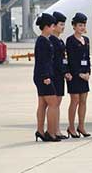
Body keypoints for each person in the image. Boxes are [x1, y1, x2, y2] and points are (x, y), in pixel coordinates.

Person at [33, 13, 61, 142]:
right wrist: (46, 76)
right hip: (43, 76)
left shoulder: (45, 40)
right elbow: (43, 60)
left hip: (42, 75)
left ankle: (40, 130)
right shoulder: (43, 41)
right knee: (53, 103)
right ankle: (50, 132)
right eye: (52, 26)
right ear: (46, 27)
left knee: (43, 104)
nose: (54, 28)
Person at [66, 12, 91, 138]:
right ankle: (71, 127)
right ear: (74, 26)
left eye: (83, 25)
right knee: (74, 101)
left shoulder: (86, 40)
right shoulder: (70, 40)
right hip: (75, 75)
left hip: (84, 75)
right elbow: (71, 60)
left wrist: (88, 73)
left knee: (83, 101)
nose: (82, 27)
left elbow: (87, 58)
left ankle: (81, 126)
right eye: (79, 25)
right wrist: (79, 74)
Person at [49, 11, 70, 140]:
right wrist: (64, 71)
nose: (63, 27)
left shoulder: (60, 41)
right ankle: (53, 130)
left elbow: (63, 59)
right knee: (54, 103)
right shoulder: (51, 40)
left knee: (58, 103)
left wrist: (66, 71)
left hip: (60, 75)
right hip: (55, 75)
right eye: (61, 24)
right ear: (54, 25)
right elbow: (55, 61)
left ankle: (56, 129)